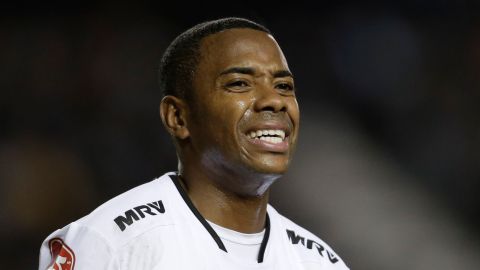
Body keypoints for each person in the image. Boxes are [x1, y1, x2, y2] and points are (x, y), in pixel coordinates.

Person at [38, 17, 349, 270]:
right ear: (178, 117)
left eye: (284, 86)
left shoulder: (319, 261)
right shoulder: (113, 241)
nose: (274, 101)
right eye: (239, 83)